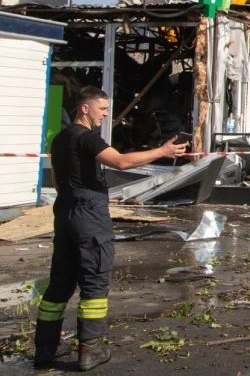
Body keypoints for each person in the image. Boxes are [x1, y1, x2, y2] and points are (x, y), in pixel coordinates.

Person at [35, 87, 187, 370]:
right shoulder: (87, 138)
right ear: (85, 108)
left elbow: (56, 180)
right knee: (94, 282)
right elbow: (120, 161)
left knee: (59, 285)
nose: (105, 115)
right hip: (89, 216)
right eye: (102, 109)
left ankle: (44, 350)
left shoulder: (60, 139)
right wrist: (162, 151)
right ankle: (89, 351)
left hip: (65, 211)